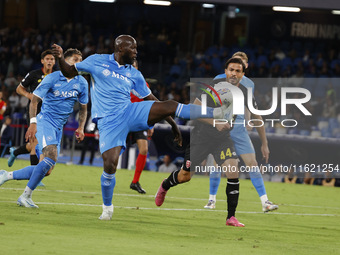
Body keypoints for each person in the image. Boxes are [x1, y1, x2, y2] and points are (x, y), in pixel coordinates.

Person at [51, 35, 231, 220]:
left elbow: (151, 99)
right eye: (133, 49)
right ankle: (107, 208)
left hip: (130, 111)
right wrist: (59, 58)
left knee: (169, 104)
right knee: (110, 164)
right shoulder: (97, 61)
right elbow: (68, 72)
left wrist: (172, 124)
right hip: (109, 120)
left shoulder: (134, 73)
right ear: (121, 49)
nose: (136, 52)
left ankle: (217, 113)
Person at [155, 59, 247, 227]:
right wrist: (215, 122)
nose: (234, 73)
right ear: (225, 71)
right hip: (202, 137)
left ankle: (231, 217)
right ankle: (165, 185)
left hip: (222, 138)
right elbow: (193, 110)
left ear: (242, 74)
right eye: (231, 69)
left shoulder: (244, 92)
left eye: (238, 71)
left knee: (233, 170)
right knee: (185, 176)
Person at [0, 48, 88, 208]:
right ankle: (25, 196)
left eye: (81, 60)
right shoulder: (52, 78)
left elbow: (83, 108)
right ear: (66, 62)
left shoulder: (82, 83)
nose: (79, 63)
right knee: (50, 156)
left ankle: (6, 175)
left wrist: (81, 127)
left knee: (46, 169)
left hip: (59, 127)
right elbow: (34, 101)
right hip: (45, 121)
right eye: (75, 60)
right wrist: (33, 123)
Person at [204, 52, 278, 213]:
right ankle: (212, 199)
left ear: (245, 68)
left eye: (241, 67)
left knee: (252, 163)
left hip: (239, 128)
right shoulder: (218, 79)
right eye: (234, 67)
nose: (236, 71)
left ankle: (265, 202)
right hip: (222, 127)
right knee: (217, 164)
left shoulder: (249, 84)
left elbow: (250, 105)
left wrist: (249, 119)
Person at [8, 50, 55, 168]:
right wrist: (30, 96)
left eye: (52, 59)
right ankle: (35, 175)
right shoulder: (34, 74)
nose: (49, 61)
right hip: (34, 113)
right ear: (42, 61)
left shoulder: (57, 76)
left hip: (49, 114)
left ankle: (15, 152)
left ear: (54, 62)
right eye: (47, 59)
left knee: (37, 144)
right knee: (35, 143)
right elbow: (19, 89)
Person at [128, 60, 153, 194]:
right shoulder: (120, 82)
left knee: (144, 149)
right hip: (123, 120)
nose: (133, 68)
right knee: (116, 151)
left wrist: (151, 124)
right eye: (130, 66)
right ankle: (108, 176)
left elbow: (149, 105)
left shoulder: (144, 84)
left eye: (135, 66)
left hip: (139, 121)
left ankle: (135, 181)